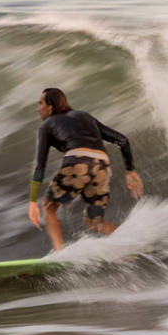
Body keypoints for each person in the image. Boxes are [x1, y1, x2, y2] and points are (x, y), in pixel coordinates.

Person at [27, 87, 143, 251]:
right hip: (102, 165)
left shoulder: (47, 125)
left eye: (41, 104)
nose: (38, 108)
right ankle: (131, 248)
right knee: (94, 222)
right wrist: (130, 170)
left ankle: (60, 253)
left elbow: (40, 165)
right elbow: (122, 140)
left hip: (78, 163)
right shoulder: (84, 116)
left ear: (50, 107)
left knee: (48, 208)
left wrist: (32, 200)